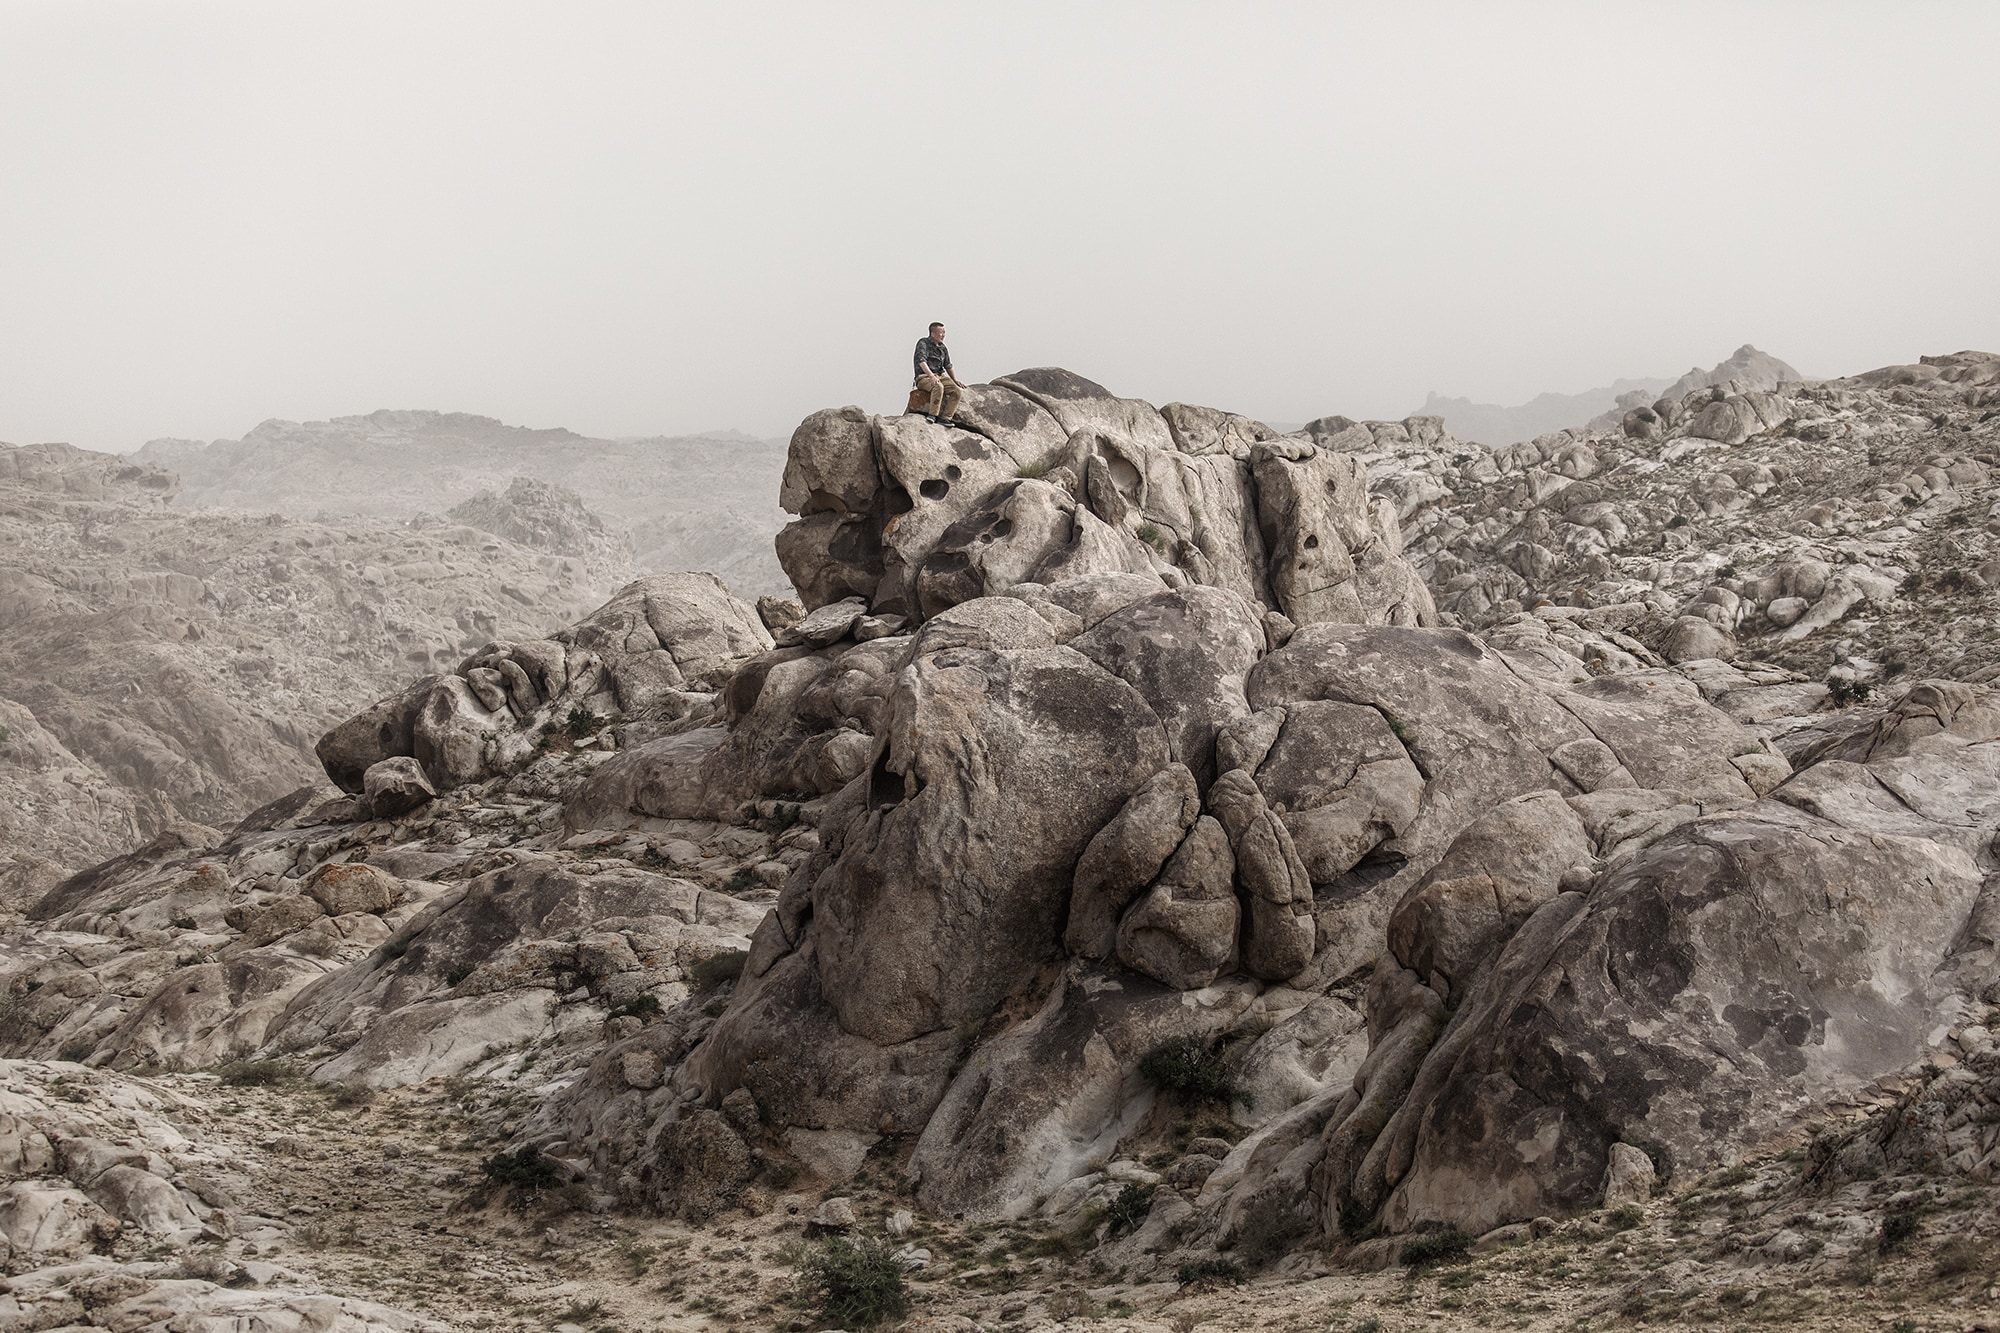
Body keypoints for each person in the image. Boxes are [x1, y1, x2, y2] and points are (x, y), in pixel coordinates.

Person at [912, 322, 963, 425]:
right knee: (938, 386)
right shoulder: (923, 343)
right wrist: (931, 376)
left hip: (939, 376)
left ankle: (945, 418)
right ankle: (933, 415)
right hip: (924, 377)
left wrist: (955, 380)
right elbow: (921, 361)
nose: (943, 335)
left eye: (944, 332)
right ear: (933, 333)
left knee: (956, 391)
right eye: (941, 332)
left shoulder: (943, 348)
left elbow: (948, 365)